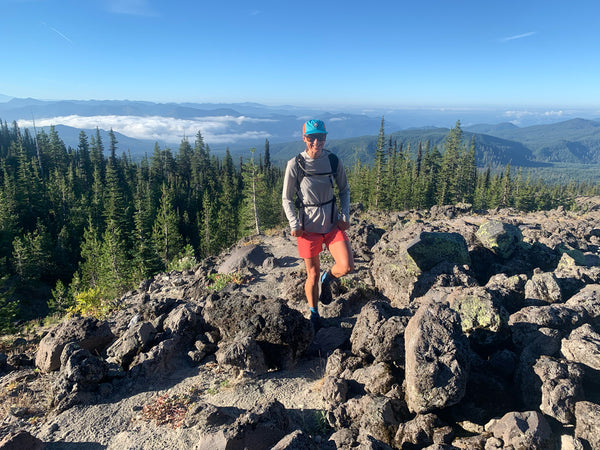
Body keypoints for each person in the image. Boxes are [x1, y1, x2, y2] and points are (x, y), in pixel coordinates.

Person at [282, 119, 354, 331]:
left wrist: (345, 215)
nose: (317, 142)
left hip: (332, 224)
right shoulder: (295, 164)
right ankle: (314, 313)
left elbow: (344, 190)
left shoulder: (333, 160)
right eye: (312, 137)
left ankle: (328, 278)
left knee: (347, 266)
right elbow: (286, 198)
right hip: (307, 228)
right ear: (304, 138)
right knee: (311, 275)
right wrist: (293, 222)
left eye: (321, 137)